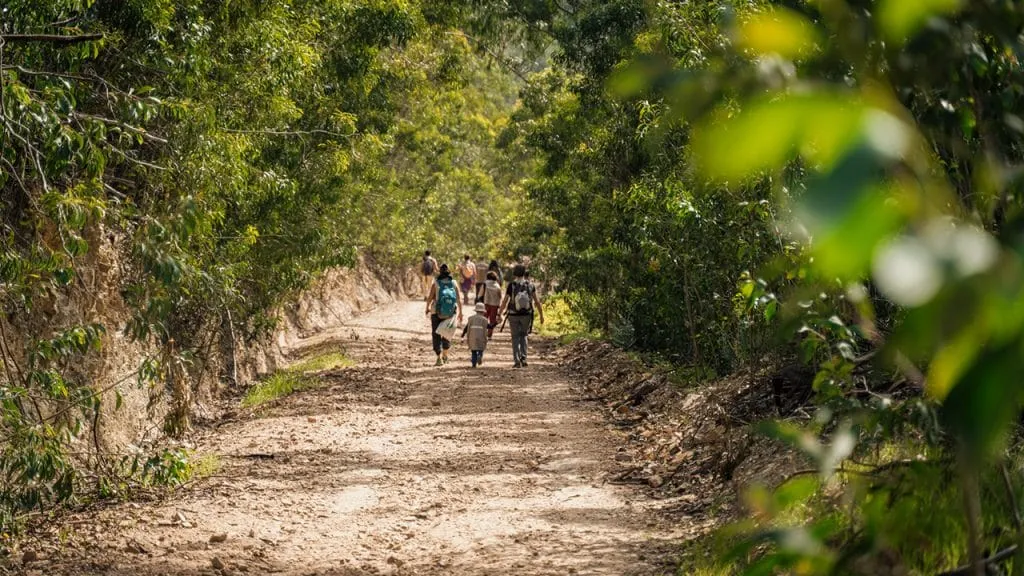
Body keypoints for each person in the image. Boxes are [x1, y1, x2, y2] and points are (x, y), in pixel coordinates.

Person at [498, 264, 544, 368]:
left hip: (513, 314)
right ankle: (524, 357)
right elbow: (537, 301)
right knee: (524, 335)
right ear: (524, 273)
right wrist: (541, 315)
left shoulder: (511, 285)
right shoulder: (530, 285)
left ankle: (517, 360)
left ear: (514, 273)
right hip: (526, 315)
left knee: (515, 337)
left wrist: (499, 313)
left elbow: (505, 301)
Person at [425, 264, 463, 366]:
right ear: (449, 272)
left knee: (436, 334)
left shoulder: (436, 283)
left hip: (436, 312)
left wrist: (427, 307)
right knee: (447, 333)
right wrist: (461, 313)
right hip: (450, 312)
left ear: (440, 272)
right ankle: (445, 355)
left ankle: (439, 358)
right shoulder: (454, 283)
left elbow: (430, 297)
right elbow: (458, 299)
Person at [462, 302, 489, 367]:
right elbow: (489, 326)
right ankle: (479, 355)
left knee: (473, 351)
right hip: (481, 336)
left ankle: (474, 364)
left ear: (476, 310)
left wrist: (463, 334)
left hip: (472, 336)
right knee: (480, 348)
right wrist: (496, 323)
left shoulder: (471, 318)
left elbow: (466, 327)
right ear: (483, 311)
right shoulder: (484, 320)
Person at [482, 271, 503, 338]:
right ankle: (489, 334)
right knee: (492, 319)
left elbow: (481, 293)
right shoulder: (497, 285)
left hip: (486, 303)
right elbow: (500, 296)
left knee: (484, 318)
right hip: (495, 305)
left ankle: (482, 332)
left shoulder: (485, 283)